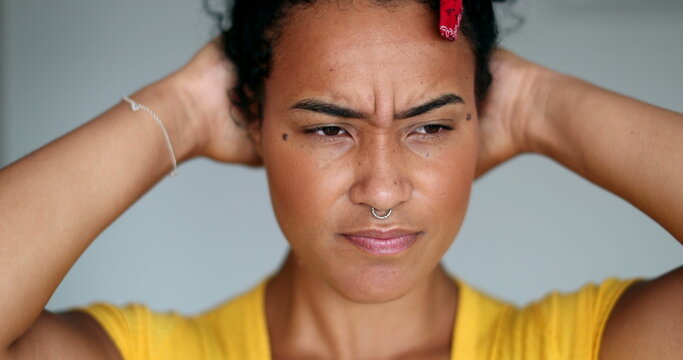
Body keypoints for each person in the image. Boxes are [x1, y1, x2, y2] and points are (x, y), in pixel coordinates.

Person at [0, 0, 681, 359]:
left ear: (483, 122)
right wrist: (180, 111)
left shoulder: (585, 349)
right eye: (330, 128)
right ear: (250, 122)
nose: (381, 191)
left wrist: (541, 105)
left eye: (432, 127)